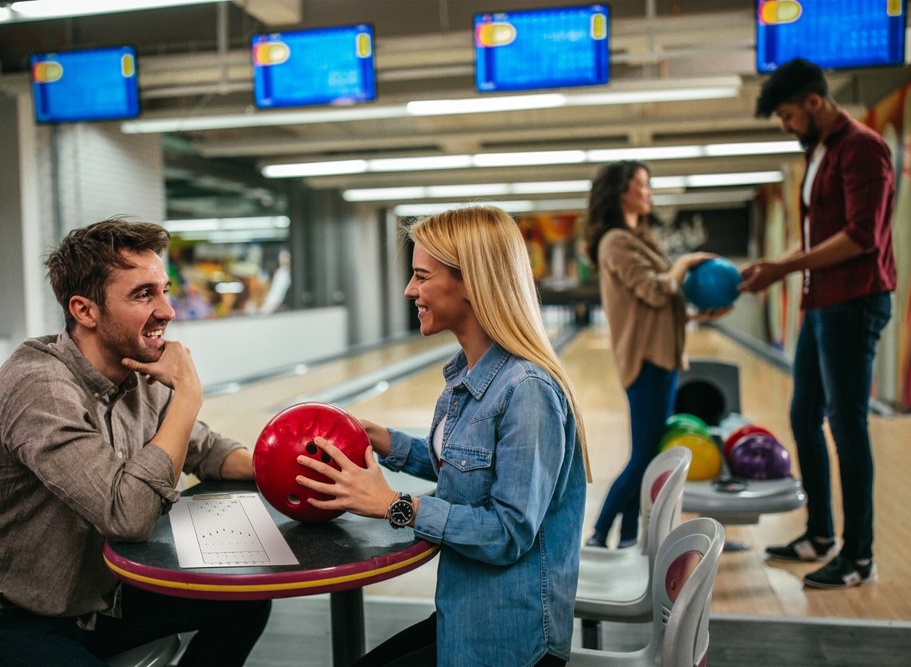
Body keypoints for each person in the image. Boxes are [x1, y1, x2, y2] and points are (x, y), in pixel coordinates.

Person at [0, 217, 271, 666]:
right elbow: (127, 516)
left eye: (164, 290)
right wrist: (189, 395)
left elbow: (204, 448)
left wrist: (283, 469)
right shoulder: (39, 388)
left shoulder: (137, 370)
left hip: (90, 605)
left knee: (244, 597)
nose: (167, 310)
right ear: (85, 310)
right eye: (144, 294)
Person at [295, 206, 589, 666]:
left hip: (510, 640)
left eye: (420, 276)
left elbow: (508, 533)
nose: (409, 290)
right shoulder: (467, 376)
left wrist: (393, 505)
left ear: (471, 282)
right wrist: (386, 442)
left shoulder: (526, 392)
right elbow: (468, 471)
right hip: (466, 617)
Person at [741, 58, 896, 589]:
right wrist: (777, 270)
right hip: (821, 304)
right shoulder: (822, 153)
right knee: (804, 416)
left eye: (786, 115)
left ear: (814, 102)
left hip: (854, 303)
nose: (785, 127)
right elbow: (815, 242)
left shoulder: (863, 147)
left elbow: (861, 237)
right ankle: (821, 535)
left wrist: (781, 268)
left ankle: (859, 556)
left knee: (846, 427)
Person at [582, 160, 723, 549]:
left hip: (661, 355)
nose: (649, 192)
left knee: (645, 454)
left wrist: (698, 314)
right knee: (644, 456)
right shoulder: (615, 241)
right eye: (642, 184)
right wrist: (683, 264)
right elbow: (657, 290)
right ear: (621, 190)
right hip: (646, 359)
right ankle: (598, 534)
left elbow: (660, 304)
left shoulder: (639, 238)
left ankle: (627, 538)